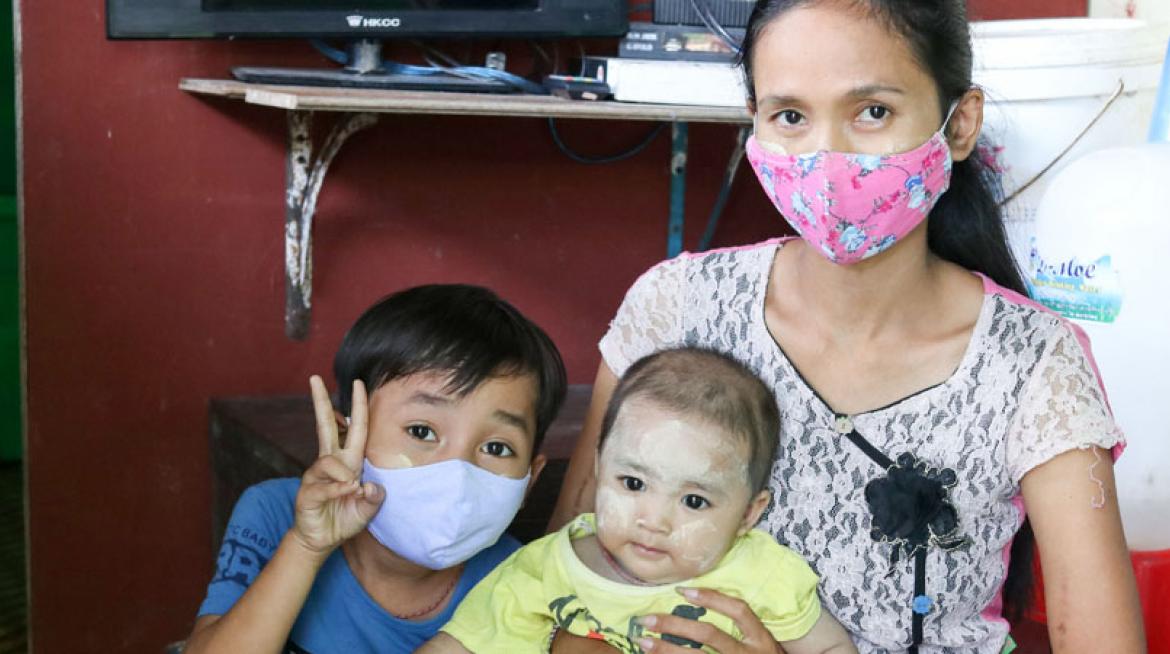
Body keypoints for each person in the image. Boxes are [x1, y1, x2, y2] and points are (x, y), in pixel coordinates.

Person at [548, 1, 1146, 652]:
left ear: (959, 124)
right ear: (754, 124)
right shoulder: (677, 308)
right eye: (791, 116)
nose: (826, 155)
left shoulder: (1032, 362)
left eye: (873, 111)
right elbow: (562, 578)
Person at [184, 284, 567, 654]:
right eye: (422, 431)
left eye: (496, 448)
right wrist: (306, 546)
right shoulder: (275, 514)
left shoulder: (521, 582)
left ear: (529, 480)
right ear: (344, 437)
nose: (458, 473)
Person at [421, 347, 857, 654]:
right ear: (599, 468)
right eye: (633, 483)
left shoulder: (761, 573)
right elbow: (457, 646)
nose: (655, 520)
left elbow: (831, 648)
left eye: (694, 501)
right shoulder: (544, 571)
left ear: (748, 513)